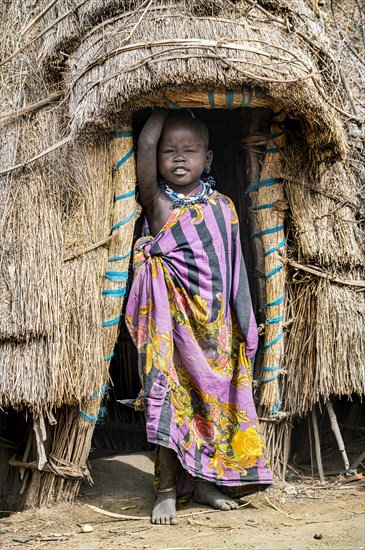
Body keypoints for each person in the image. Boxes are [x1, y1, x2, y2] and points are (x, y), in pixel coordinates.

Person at [125, 109, 273, 525]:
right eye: (169, 151)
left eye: (189, 150)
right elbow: (146, 145)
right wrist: (163, 105)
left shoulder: (224, 207)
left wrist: (245, 319)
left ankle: (206, 483)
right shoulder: (158, 202)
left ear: (207, 158)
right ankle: (166, 490)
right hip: (170, 329)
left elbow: (236, 267)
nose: (178, 157)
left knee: (213, 409)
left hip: (217, 332)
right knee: (169, 404)